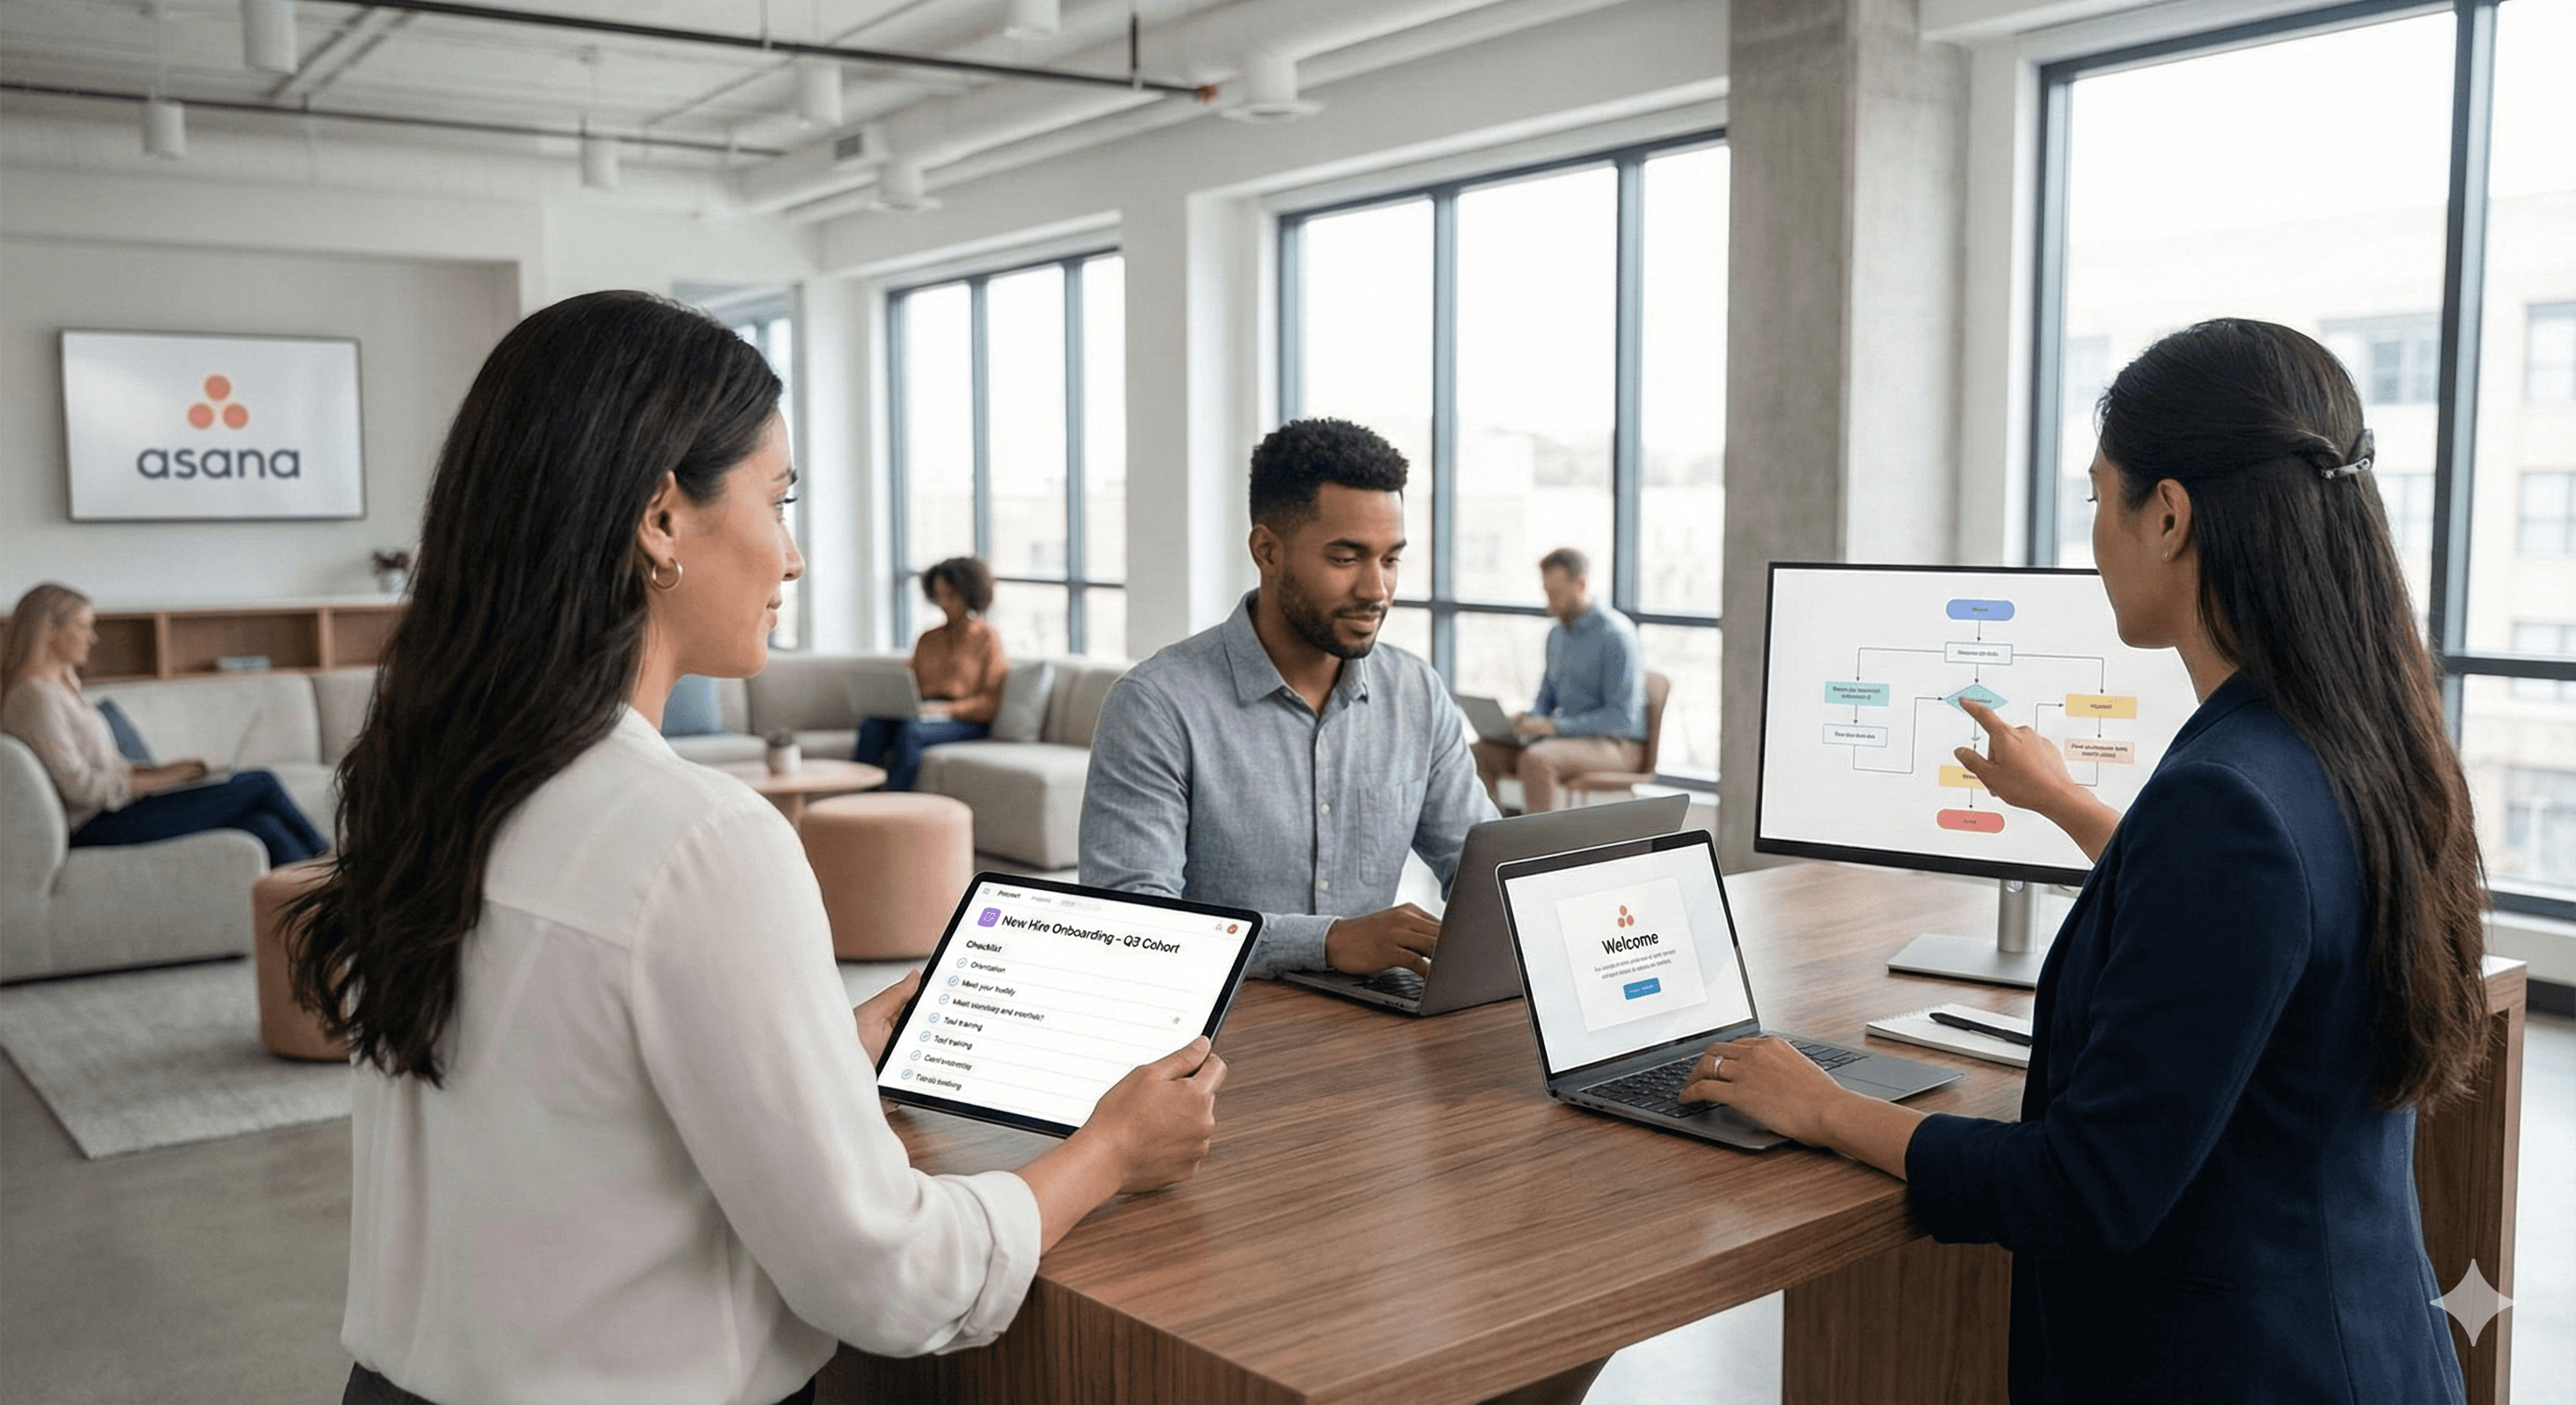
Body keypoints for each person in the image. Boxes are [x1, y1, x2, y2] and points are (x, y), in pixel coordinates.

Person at [284, 291, 1224, 1405]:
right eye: (777, 499)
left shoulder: (431, 785)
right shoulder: (703, 842)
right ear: (659, 519)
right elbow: (888, 1280)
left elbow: (551, 1090)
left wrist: (813, 1049)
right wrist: (1110, 1151)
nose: (794, 554)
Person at [1679, 319, 2484, 1402]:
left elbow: (2087, 1187)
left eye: (2098, 498)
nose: (2091, 535)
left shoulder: (2224, 804)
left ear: (2168, 514)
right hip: (2359, 1344)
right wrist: (2065, 802)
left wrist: (1822, 1103)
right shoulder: (2358, 738)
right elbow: (2264, 927)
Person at [1080, 417, 1498, 983]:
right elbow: (1133, 926)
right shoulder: (1157, 705)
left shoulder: (1416, 693)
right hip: (1219, 1025)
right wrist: (1324, 942)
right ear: (1267, 550)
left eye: (1390, 559)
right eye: (1346, 559)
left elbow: (1485, 874)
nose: (1376, 590)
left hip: (1377, 1017)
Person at [0, 582, 325, 867]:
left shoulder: (61, 688)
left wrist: (165, 773)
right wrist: (160, 781)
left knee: (262, 825)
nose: (92, 637)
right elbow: (79, 787)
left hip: (117, 810)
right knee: (261, 782)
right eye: (84, 626)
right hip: (98, 824)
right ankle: (332, 869)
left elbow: (105, 767)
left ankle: (321, 911)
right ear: (51, 630)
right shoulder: (34, 698)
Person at [1470, 547, 1647, 813]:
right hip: (1567, 737)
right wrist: (1530, 720)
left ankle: (1542, 851)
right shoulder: (1557, 636)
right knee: (1481, 751)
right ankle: (1500, 831)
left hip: (1615, 746)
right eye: (1546, 593)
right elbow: (1546, 696)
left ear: (1580, 585)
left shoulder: (1616, 636)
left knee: (1536, 760)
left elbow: (1620, 718)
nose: (1549, 603)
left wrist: (1554, 727)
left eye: (1556, 594)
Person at [855, 555, 1006, 791]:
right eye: (939, 595)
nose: (943, 603)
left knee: (911, 733)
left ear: (969, 594)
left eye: (950, 595)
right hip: (923, 711)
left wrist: (947, 709)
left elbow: (989, 703)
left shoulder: (987, 639)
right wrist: (899, 702)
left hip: (964, 720)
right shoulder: (928, 638)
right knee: (872, 726)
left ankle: (894, 802)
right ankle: (860, 799)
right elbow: (908, 683)